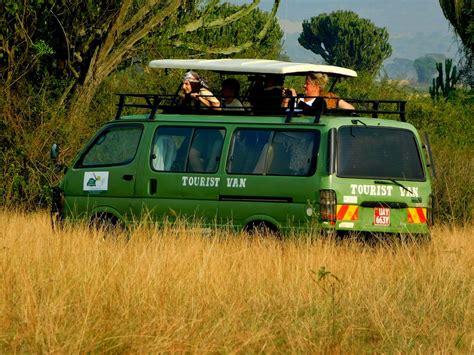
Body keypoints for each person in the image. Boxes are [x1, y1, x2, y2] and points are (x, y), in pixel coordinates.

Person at [283, 73, 354, 110]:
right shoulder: (298, 97)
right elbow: (282, 114)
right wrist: (286, 99)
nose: (304, 86)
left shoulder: (324, 100)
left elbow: (312, 113)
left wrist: (297, 100)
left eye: (307, 84)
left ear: (317, 86)